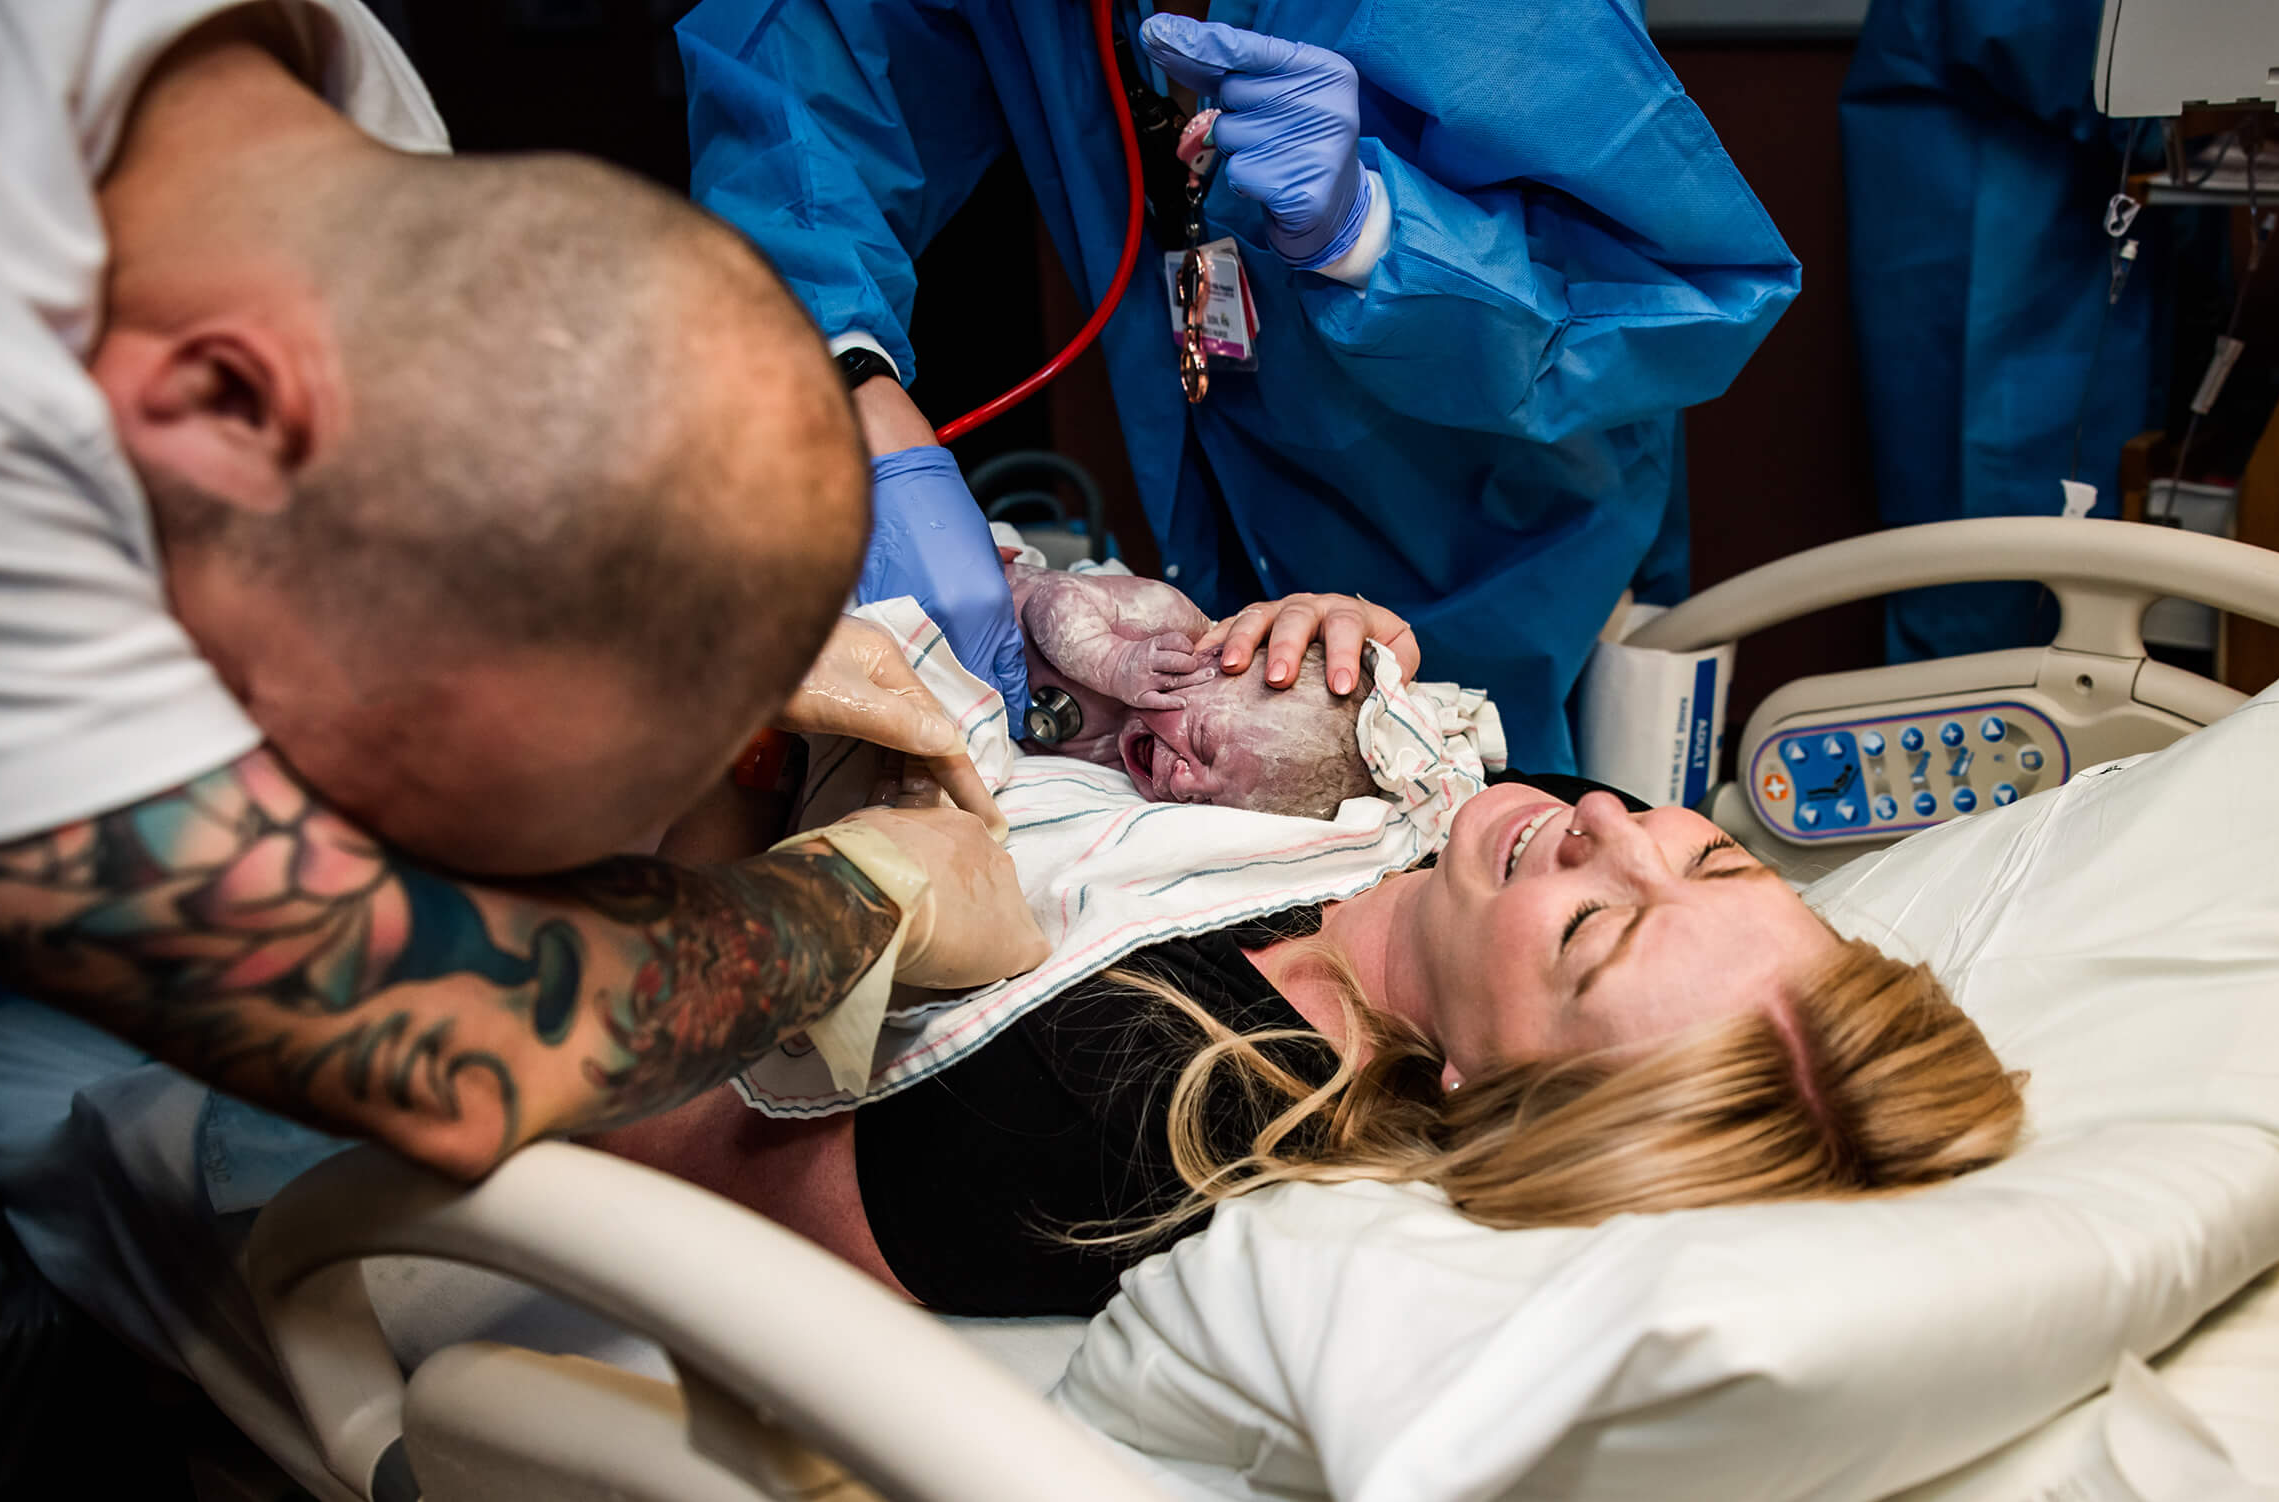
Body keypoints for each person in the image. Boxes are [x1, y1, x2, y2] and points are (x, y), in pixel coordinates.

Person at [0, 0, 1049, 1198]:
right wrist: (863, 900)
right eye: (303, 752)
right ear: (218, 403)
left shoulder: (328, 139)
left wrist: (692, 636)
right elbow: (440, 1035)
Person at [676, 0, 1803, 771]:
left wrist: (1379, 237)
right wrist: (839, 369)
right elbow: (806, 70)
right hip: (1219, 515)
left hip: (1506, 550)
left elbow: (1689, 291)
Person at [599, 779, 2024, 1316]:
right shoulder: (1450, 857)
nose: (1608, 827)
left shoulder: (1131, 1107)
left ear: (1493, 1092)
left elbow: (644, 1148)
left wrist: (780, 818)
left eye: (1594, 932)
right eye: (1709, 853)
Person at [1842, 0, 2166, 663]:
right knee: (1986, 536)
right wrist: (2188, 113)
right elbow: (2033, 30)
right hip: (1995, 188)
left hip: (2053, 191)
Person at [1007, 550, 1375, 817]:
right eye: (1202, 741)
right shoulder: (1165, 623)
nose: (1183, 786)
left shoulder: (1127, 761)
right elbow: (1054, 598)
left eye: (1207, 803)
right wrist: (1113, 661)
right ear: (1214, 659)